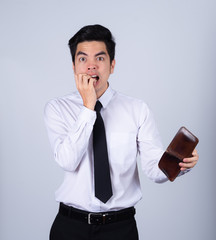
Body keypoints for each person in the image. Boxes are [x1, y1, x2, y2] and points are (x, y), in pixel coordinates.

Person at [44, 24, 199, 240]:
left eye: (99, 58)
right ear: (73, 66)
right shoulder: (57, 108)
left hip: (120, 229)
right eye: (82, 59)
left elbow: (154, 170)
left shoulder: (137, 109)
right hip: (71, 227)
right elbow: (67, 161)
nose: (91, 66)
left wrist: (179, 163)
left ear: (112, 65)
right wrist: (88, 107)